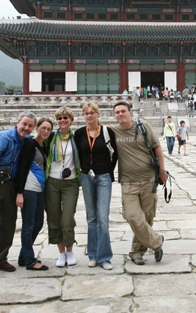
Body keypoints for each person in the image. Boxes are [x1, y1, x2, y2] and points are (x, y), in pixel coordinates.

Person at [0, 111, 36, 280]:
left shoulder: (26, 141)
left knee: (8, 225)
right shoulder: (4, 138)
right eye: (24, 124)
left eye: (30, 126)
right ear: (17, 122)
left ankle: (1, 258)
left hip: (11, 187)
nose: (26, 128)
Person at [112, 101, 167, 265]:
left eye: (123, 111)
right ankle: (157, 241)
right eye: (117, 112)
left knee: (147, 218)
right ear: (114, 116)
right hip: (128, 183)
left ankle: (137, 252)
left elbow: (157, 148)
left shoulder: (143, 127)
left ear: (130, 112)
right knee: (133, 216)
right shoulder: (112, 131)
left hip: (149, 180)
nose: (120, 114)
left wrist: (162, 171)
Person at [74, 102, 118, 270]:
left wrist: (107, 170)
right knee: (91, 218)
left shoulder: (108, 132)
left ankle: (105, 257)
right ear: (83, 115)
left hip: (104, 178)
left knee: (103, 218)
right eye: (86, 113)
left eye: (92, 112)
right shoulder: (79, 133)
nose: (89, 115)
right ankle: (93, 255)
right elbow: (79, 152)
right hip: (86, 177)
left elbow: (115, 155)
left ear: (98, 114)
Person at [15, 117, 52, 271]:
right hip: (29, 188)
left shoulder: (44, 145)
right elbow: (22, 168)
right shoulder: (29, 144)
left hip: (40, 189)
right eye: (43, 128)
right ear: (37, 127)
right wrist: (19, 193)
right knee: (29, 224)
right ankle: (30, 261)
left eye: (49, 129)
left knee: (38, 223)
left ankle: (23, 256)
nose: (46, 131)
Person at [46, 106, 81, 268]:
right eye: (60, 118)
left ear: (71, 120)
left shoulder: (77, 137)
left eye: (65, 117)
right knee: (54, 218)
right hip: (52, 181)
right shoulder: (51, 137)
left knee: (67, 218)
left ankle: (70, 250)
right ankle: (61, 253)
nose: (62, 120)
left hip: (71, 182)